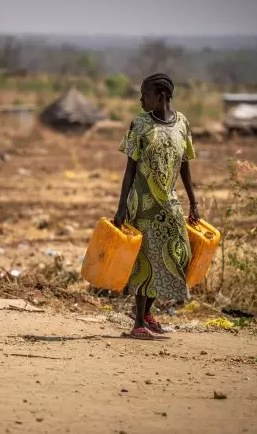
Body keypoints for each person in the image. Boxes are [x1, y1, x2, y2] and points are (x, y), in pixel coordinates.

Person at [114, 73, 200, 340]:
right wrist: (121, 207)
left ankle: (147, 314)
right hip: (142, 203)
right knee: (145, 261)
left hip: (168, 204)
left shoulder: (182, 123)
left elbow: (185, 166)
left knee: (180, 254)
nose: (141, 100)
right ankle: (138, 321)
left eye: (145, 95)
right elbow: (129, 171)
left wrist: (194, 203)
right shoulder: (139, 124)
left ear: (161, 96)